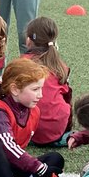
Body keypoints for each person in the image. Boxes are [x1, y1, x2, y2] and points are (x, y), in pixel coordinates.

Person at [21, 16, 72, 146]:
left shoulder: (22, 63)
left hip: (30, 129)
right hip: (58, 128)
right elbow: (67, 97)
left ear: (28, 40)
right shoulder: (60, 65)